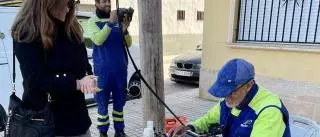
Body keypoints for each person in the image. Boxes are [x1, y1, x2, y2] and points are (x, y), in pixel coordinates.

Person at [11, 0, 99, 136]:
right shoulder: (27, 31)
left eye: (72, 3)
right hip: (45, 123)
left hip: (77, 119)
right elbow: (35, 79)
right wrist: (76, 83)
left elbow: (82, 63)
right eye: (67, 3)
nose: (69, 9)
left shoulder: (71, 26)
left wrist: (90, 77)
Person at [169, 58, 291, 137]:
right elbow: (208, 119)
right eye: (223, 91)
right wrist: (190, 127)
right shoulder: (229, 100)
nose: (226, 96)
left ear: (249, 85)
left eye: (231, 91)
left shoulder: (269, 111)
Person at [87, 0, 132, 137]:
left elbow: (128, 44)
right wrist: (110, 23)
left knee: (119, 103)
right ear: (96, 3)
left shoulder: (118, 20)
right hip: (103, 72)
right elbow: (98, 40)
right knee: (102, 104)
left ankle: (119, 131)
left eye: (109, 1)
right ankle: (103, 132)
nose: (108, 4)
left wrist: (124, 30)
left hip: (120, 71)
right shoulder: (92, 21)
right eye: (104, 1)